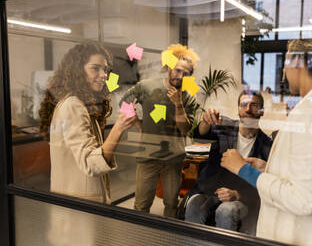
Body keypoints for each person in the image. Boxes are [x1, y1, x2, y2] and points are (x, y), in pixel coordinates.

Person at [221, 38, 312, 246]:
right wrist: (269, 168)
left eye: (284, 63)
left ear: (295, 62)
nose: (284, 73)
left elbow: (304, 199)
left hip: (302, 236)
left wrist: (243, 170)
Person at [39, 44, 139, 245]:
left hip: (76, 206)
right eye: (95, 68)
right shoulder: (73, 106)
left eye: (104, 69)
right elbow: (91, 163)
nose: (103, 75)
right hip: (79, 210)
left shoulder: (76, 104)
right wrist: (118, 128)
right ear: (77, 70)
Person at [120, 44, 199, 217]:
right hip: (148, 155)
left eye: (186, 74)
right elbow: (124, 103)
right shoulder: (147, 86)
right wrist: (138, 123)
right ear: (169, 67)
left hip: (174, 159)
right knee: (141, 205)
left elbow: (185, 129)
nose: (180, 76)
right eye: (178, 70)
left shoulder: (188, 98)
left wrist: (178, 104)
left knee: (171, 204)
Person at [185, 91, 272, 234]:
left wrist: (238, 195)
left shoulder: (267, 146)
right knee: (194, 204)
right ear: (238, 109)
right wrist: (205, 122)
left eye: (254, 105)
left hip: (241, 198)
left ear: (261, 111)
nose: (248, 109)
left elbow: (263, 186)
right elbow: (200, 137)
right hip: (211, 191)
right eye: (244, 104)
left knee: (226, 210)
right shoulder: (223, 127)